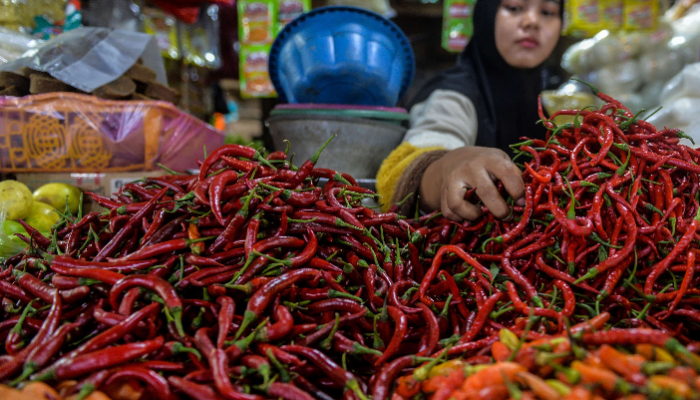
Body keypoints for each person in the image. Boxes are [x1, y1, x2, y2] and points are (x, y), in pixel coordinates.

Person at [376, 0, 563, 221]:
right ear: (486, 15)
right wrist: (450, 166)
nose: (532, 21)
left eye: (548, 12)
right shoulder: (453, 95)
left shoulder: (548, 107)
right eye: (514, 7)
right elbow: (415, 160)